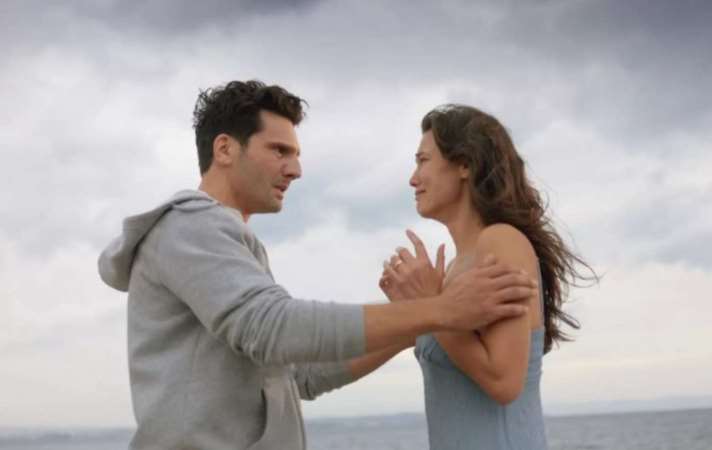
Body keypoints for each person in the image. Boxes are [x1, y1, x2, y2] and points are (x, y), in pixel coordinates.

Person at [97, 81, 538, 450]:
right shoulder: (190, 228)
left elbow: (298, 376)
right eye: (279, 150)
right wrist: (437, 310)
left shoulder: (230, 244)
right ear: (225, 149)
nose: (296, 169)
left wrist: (415, 319)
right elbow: (273, 328)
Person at [379, 104, 595, 449]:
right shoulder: (454, 270)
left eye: (423, 161)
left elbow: (504, 381)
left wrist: (431, 304)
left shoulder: (501, 241)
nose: (413, 178)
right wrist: (413, 310)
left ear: (464, 164)